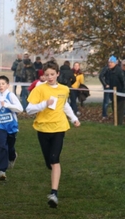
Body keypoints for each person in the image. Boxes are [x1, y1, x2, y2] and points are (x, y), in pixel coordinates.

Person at [26, 61, 80, 208]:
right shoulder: (39, 89)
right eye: (47, 74)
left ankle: (54, 193)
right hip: (43, 129)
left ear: (58, 74)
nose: (50, 77)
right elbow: (29, 109)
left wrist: (74, 118)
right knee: (49, 163)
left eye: (52, 74)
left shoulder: (64, 89)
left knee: (55, 159)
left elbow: (65, 105)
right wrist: (44, 104)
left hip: (59, 128)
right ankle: (53, 171)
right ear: (43, 75)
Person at [0, 76, 23, 181]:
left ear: (7, 85)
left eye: (3, 84)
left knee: (10, 147)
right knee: (1, 146)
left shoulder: (11, 95)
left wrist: (7, 105)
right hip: (0, 125)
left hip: (11, 126)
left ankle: (12, 156)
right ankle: (2, 170)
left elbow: (20, 108)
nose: (0, 86)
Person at [104, 56, 125, 125]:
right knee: (114, 109)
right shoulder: (110, 71)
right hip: (113, 94)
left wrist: (121, 93)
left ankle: (119, 124)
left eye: (111, 62)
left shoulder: (119, 71)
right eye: (109, 62)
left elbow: (123, 82)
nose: (109, 64)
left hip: (120, 94)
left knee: (119, 110)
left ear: (115, 63)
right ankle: (115, 123)